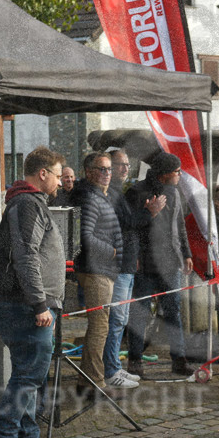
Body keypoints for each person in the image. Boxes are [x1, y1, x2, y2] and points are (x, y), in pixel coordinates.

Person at [0, 147, 68, 438]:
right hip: (26, 306)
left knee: (30, 377)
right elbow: (25, 256)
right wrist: (39, 304)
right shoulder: (27, 204)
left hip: (28, 303)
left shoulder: (27, 203)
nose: (61, 183)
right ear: (43, 174)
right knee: (27, 377)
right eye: (59, 176)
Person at [125, 151, 195, 377]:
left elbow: (180, 226)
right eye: (177, 172)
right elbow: (128, 227)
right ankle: (134, 361)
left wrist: (186, 253)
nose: (180, 175)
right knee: (139, 314)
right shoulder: (136, 192)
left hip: (170, 263)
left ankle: (179, 360)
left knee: (174, 312)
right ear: (165, 174)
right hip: (143, 264)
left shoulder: (174, 192)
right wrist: (148, 215)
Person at [73, 152, 135, 391]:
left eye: (109, 169)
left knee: (101, 327)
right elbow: (85, 236)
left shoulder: (100, 195)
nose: (107, 174)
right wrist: (110, 252)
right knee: (99, 328)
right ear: (89, 171)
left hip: (103, 270)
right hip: (96, 271)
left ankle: (89, 380)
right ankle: (94, 382)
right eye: (102, 169)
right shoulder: (89, 197)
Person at [102, 148, 147, 388]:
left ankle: (115, 366)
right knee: (116, 319)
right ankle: (110, 369)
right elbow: (123, 225)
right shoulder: (110, 193)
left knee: (123, 318)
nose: (125, 169)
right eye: (120, 164)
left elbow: (129, 229)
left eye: (127, 164)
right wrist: (149, 212)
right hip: (117, 265)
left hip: (128, 262)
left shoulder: (122, 192)